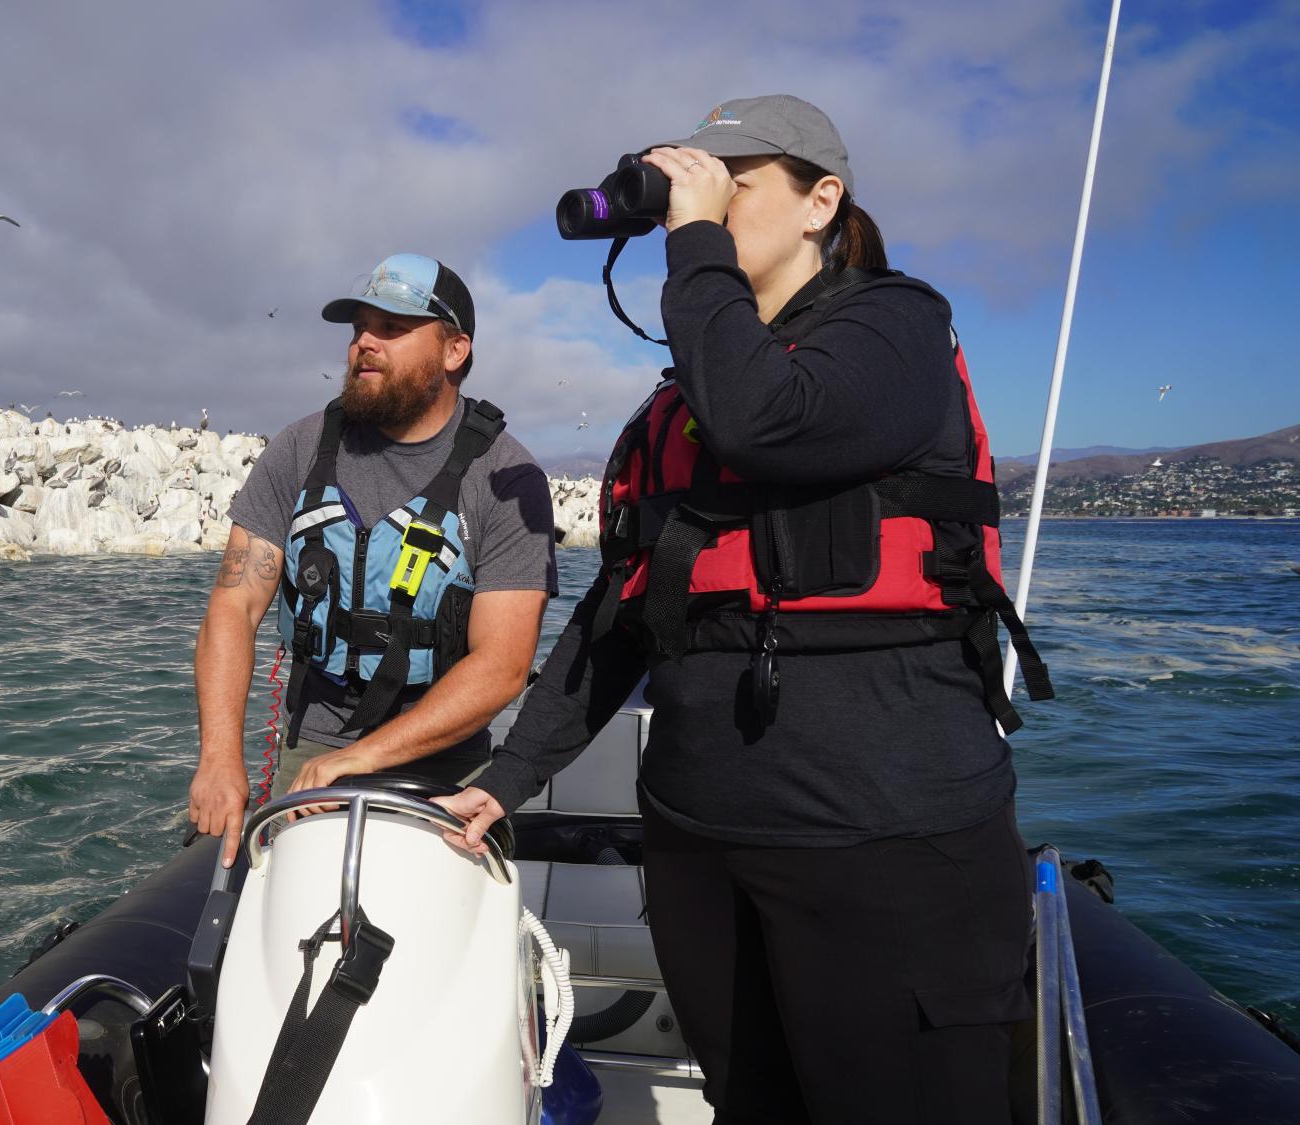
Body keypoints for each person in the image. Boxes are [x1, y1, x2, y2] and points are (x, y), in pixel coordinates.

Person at [436, 95, 1054, 1124]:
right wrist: (506, 780)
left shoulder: (894, 328)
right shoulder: (677, 407)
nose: (705, 207)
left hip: (884, 850)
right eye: (691, 186)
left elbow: (769, 421)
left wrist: (691, 246)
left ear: (822, 202)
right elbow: (619, 616)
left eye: (733, 185)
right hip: (700, 844)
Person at [187, 253, 557, 867]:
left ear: (454, 350)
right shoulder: (298, 450)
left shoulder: (504, 478)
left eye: (391, 328)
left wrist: (358, 760)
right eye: (360, 327)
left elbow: (503, 666)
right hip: (311, 754)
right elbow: (234, 603)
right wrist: (220, 757)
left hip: (448, 769)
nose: (364, 343)